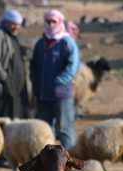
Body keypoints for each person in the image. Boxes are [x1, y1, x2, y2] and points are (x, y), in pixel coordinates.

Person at [30, 10, 80, 149]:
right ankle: (48, 162)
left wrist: (60, 81)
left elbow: (73, 65)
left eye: (54, 21)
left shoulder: (66, 42)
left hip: (61, 94)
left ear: (60, 22)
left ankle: (70, 162)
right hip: (43, 94)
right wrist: (35, 84)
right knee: (44, 130)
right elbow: (34, 66)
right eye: (48, 21)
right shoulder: (40, 43)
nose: (51, 24)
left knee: (64, 129)